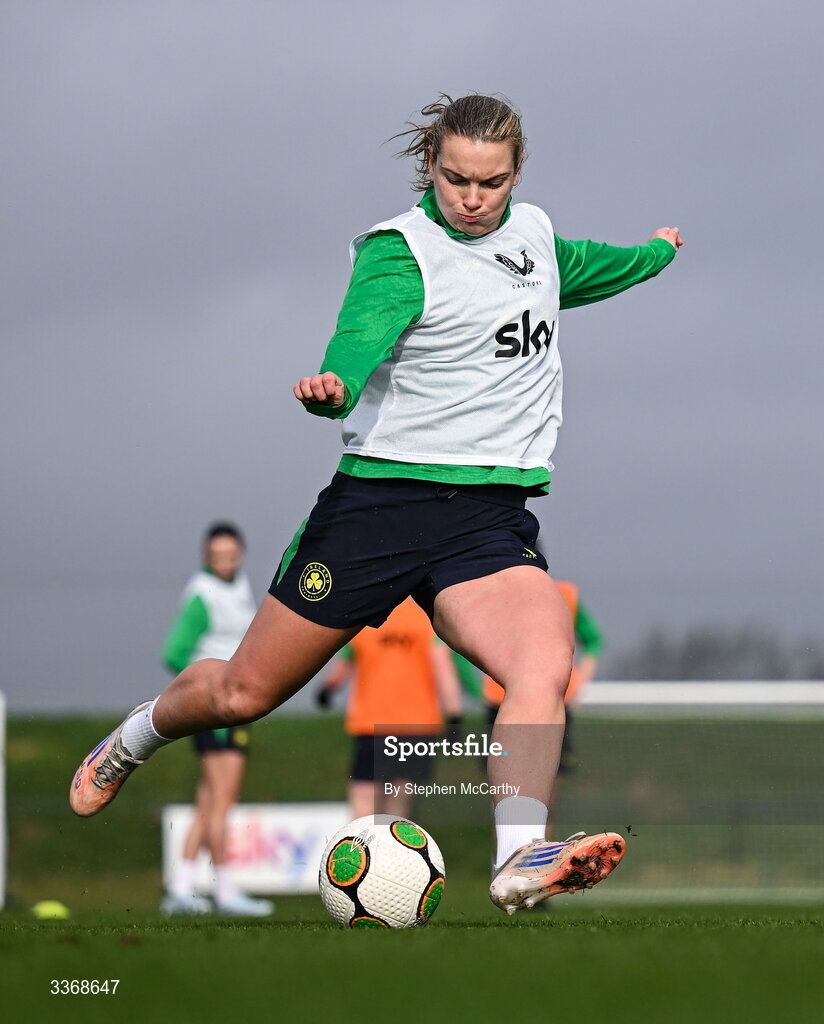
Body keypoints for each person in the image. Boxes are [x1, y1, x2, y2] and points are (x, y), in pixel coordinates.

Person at [70, 93, 682, 915]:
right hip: (378, 510)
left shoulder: (532, 234)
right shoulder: (402, 254)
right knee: (242, 695)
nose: (472, 197)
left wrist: (654, 252)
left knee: (542, 663)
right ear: (430, 165)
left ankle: (519, 856)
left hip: (487, 518)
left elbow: (584, 267)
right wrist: (335, 388)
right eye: (456, 178)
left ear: (516, 173)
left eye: (489, 182)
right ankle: (139, 733)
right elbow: (356, 341)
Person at [158, 522, 273, 917]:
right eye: (217, 557)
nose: (225, 562)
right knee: (222, 802)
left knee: (209, 804)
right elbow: (175, 652)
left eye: (230, 555)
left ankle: (181, 888)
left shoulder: (239, 587)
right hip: (214, 712)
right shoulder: (202, 595)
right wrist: (203, 694)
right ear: (206, 556)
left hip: (234, 708)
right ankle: (224, 891)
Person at [315, 596, 462, 820]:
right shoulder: (426, 617)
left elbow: (344, 664)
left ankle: (362, 850)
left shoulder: (366, 616)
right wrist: (454, 714)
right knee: (400, 805)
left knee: (364, 800)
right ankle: (395, 851)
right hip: (417, 726)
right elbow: (443, 668)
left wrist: (327, 690)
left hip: (373, 724)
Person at [482, 579, 604, 836]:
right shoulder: (488, 593)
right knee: (503, 802)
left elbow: (593, 639)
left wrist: (578, 681)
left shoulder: (566, 594)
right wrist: (477, 688)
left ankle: (539, 865)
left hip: (549, 700)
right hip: (503, 700)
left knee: (545, 797)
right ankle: (506, 865)